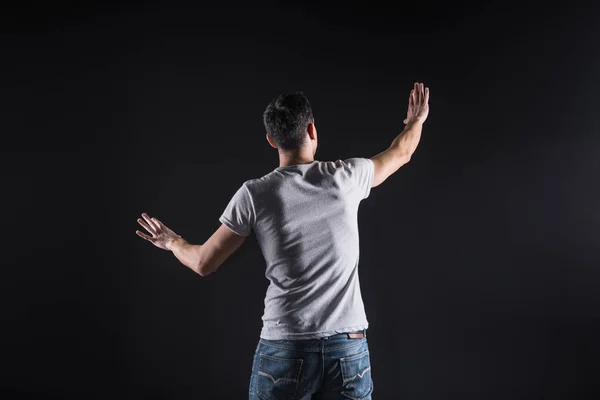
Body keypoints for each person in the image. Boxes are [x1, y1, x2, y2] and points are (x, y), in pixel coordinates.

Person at [136, 82, 430, 399]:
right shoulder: (346, 177)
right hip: (348, 345)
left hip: (286, 346)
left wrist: (172, 241)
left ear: (271, 140)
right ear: (312, 130)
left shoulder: (255, 194)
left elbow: (203, 262)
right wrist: (416, 120)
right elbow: (402, 152)